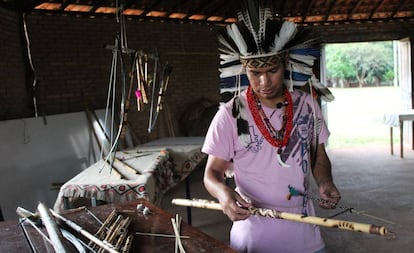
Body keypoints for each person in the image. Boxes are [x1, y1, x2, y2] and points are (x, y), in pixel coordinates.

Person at [202, 1, 341, 252]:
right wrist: (224, 194)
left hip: (304, 236)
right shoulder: (230, 114)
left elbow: (319, 156)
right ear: (245, 69)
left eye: (272, 70)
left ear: (285, 61)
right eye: (255, 73)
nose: (264, 81)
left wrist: (325, 181)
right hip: (253, 238)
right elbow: (212, 173)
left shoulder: (307, 105)